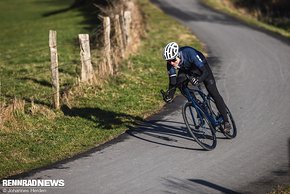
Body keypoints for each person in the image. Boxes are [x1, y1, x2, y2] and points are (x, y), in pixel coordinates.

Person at [161, 42, 231, 133]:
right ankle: (198, 104)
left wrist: (198, 80)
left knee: (213, 92)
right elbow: (173, 82)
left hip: (201, 68)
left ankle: (226, 121)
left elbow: (205, 72)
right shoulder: (170, 63)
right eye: (169, 61)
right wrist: (170, 95)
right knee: (180, 84)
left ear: (178, 55)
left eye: (173, 60)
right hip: (186, 70)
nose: (171, 63)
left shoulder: (189, 53)